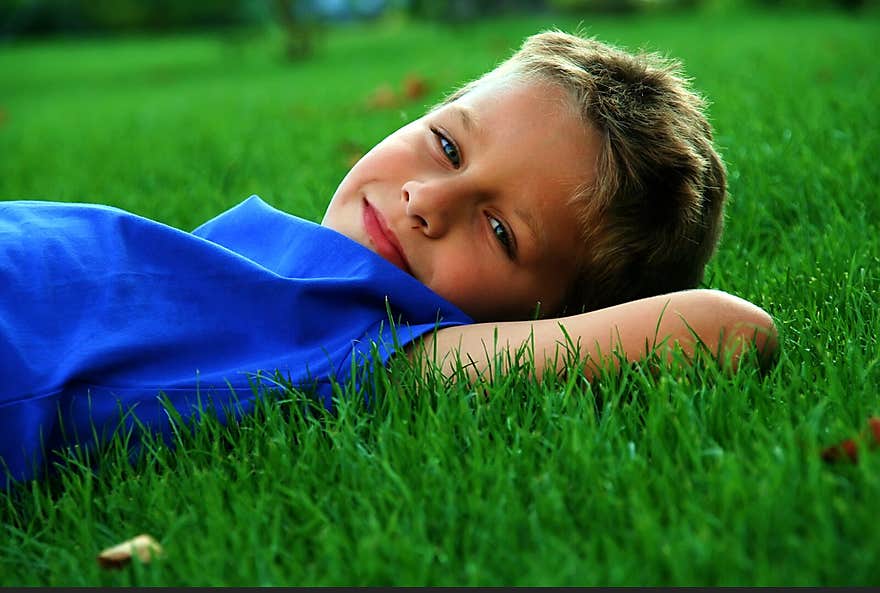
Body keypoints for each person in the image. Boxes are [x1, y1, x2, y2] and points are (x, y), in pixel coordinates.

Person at [0, 31, 777, 488]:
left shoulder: (376, 352)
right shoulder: (274, 262)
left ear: (542, 318)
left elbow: (723, 330)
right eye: (446, 144)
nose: (427, 202)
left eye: (501, 231)